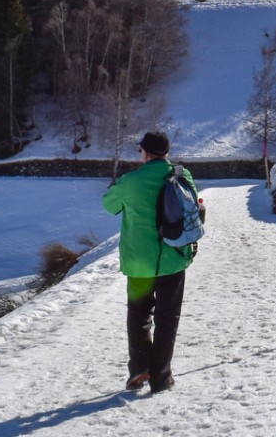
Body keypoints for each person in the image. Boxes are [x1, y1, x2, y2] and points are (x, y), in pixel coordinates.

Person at [102, 130, 201, 393]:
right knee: (168, 318)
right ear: (167, 152)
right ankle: (162, 377)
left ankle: (140, 368)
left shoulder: (130, 181)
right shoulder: (183, 175)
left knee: (138, 315)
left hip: (140, 265)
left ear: (145, 152)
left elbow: (109, 205)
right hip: (175, 259)